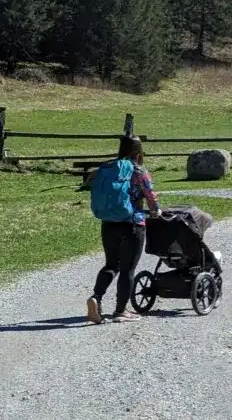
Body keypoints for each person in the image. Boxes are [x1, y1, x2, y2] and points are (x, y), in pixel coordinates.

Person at [85, 135, 160, 324]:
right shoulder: (138, 170)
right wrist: (155, 210)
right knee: (128, 269)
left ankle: (96, 297)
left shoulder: (108, 168)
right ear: (138, 151)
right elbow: (150, 195)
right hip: (132, 224)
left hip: (108, 223)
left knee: (111, 265)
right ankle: (120, 311)